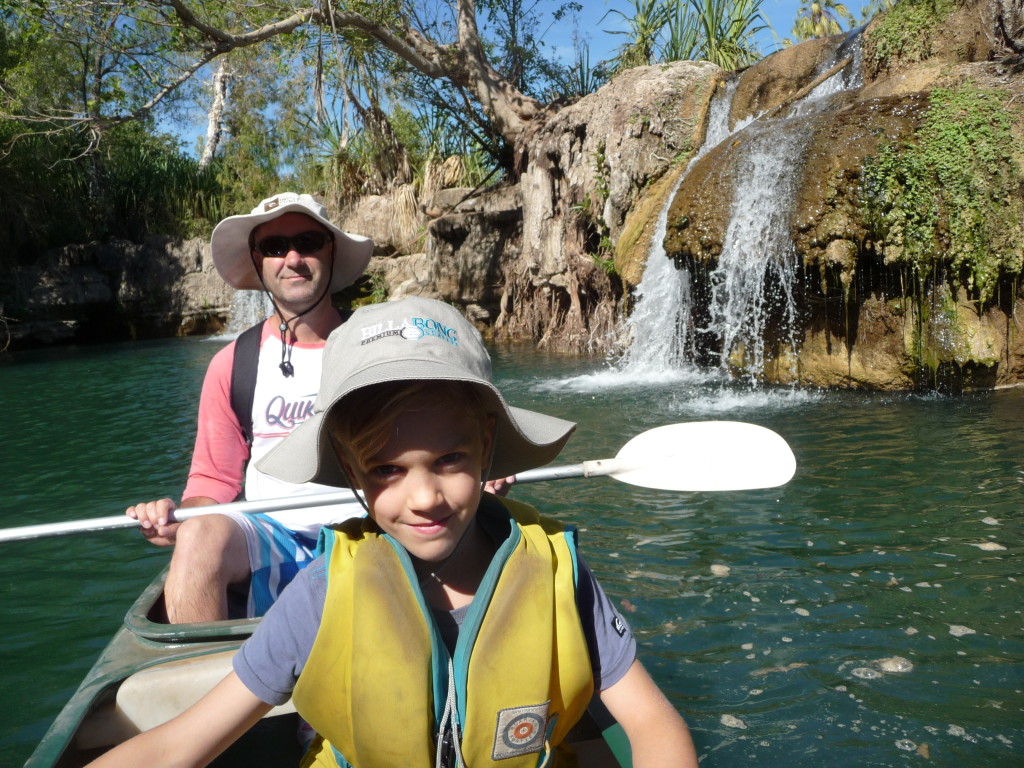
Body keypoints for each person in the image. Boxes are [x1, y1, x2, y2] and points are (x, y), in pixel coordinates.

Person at [88, 296, 699, 768]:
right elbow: (178, 746)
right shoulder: (323, 592)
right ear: (352, 471)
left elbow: (653, 725)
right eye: (387, 470)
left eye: (449, 460)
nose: (425, 498)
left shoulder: (560, 572)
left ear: (487, 445)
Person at [125, 192, 374, 623]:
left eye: (308, 242)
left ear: (330, 250)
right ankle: (198, 664)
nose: (292, 258)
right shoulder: (233, 363)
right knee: (198, 537)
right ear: (258, 260)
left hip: (375, 530)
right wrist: (176, 520)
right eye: (274, 247)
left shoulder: (377, 342)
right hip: (272, 538)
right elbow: (214, 479)